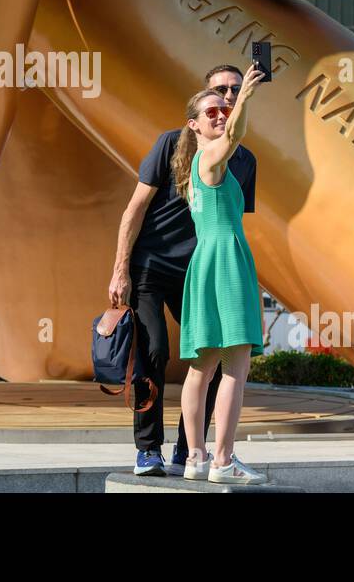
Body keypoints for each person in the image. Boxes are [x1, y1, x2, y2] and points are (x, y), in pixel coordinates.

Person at [108, 65, 257, 477]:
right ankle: (148, 449)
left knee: (207, 360)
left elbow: (228, 216)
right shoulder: (174, 144)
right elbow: (134, 209)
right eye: (220, 92)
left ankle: (191, 451)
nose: (226, 99)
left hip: (200, 268)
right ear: (197, 110)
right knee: (155, 351)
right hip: (153, 264)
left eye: (233, 91)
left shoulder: (243, 159)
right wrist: (121, 267)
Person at [177, 67, 267, 484]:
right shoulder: (210, 156)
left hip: (206, 262)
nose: (221, 113)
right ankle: (223, 461)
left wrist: (238, 103)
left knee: (204, 366)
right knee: (236, 364)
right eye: (213, 108)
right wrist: (245, 95)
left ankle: (196, 457)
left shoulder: (198, 163)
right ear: (194, 124)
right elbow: (233, 137)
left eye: (224, 108)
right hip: (226, 259)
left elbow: (231, 137)